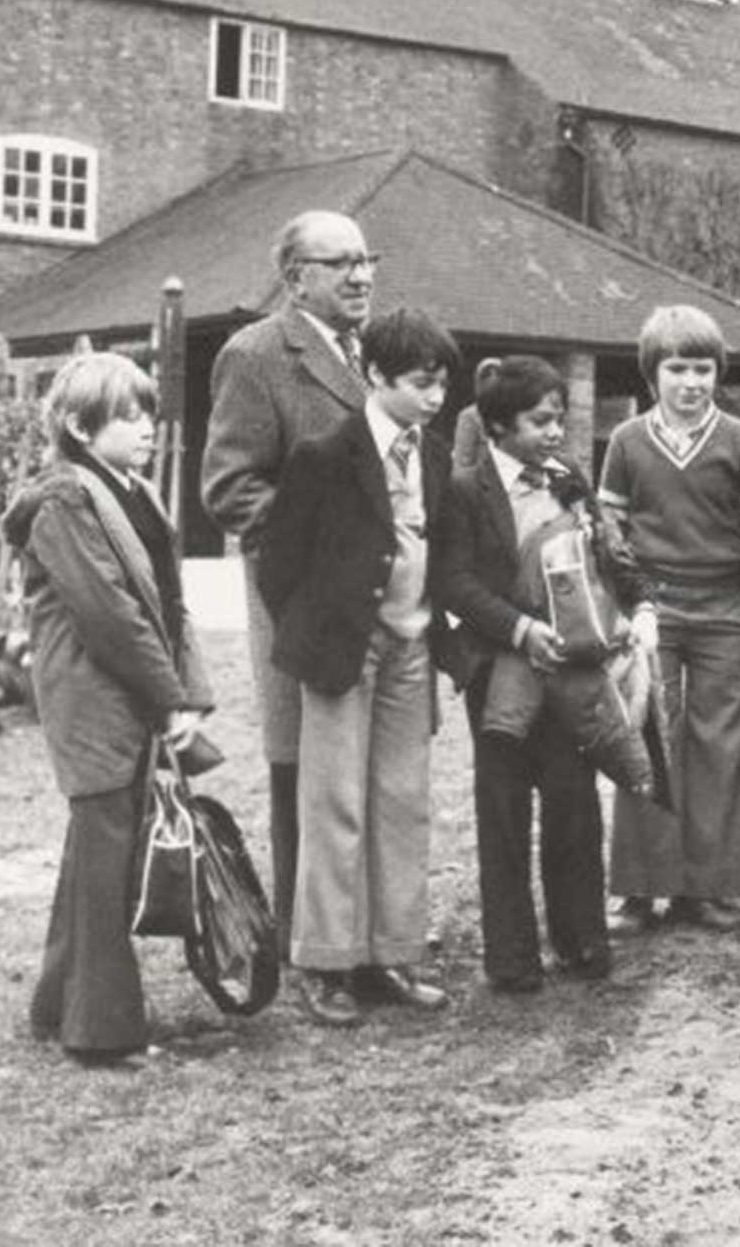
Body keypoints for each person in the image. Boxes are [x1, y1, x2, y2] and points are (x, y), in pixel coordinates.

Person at [5, 353, 214, 1061]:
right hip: (94, 697)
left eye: (149, 412)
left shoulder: (132, 492)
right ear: (78, 425)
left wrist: (188, 692)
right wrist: (170, 697)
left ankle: (56, 1002)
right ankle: (102, 1032)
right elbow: (110, 614)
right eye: (128, 415)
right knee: (107, 858)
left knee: (97, 851)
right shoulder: (66, 500)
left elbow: (167, 601)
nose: (147, 427)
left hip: (131, 691)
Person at [257, 308, 459, 1026]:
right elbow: (278, 563)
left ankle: (390, 955)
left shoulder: (434, 456)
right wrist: (322, 632)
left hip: (412, 648)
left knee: (402, 804)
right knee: (334, 805)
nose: (435, 399)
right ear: (374, 376)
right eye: (419, 384)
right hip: (344, 654)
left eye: (441, 385)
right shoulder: (323, 454)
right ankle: (325, 962)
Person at [435, 356, 657, 992]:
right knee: (503, 809)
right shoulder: (464, 489)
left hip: (573, 669)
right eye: (540, 421)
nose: (555, 432)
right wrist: (520, 630)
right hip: (500, 667)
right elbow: (454, 581)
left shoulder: (567, 477)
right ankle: (510, 958)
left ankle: (581, 940)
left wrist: (639, 604)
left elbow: (609, 550)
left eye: (559, 418)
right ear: (500, 426)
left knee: (573, 801)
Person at [200, 210, 376, 958]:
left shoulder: (373, 353)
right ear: (296, 277)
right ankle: (310, 943)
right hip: (297, 595)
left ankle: (359, 928)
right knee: (302, 761)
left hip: (373, 592)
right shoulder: (257, 354)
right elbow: (230, 487)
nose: (361, 275)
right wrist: (326, 544)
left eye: (367, 259)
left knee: (364, 763)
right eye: (340, 263)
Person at [600, 305, 740, 927]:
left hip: (726, 607)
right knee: (648, 737)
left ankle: (714, 885)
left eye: (703, 368)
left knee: (721, 742)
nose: (692, 382)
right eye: (678, 368)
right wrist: (633, 603)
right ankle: (643, 887)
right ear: (653, 375)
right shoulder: (626, 442)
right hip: (654, 609)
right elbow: (610, 532)